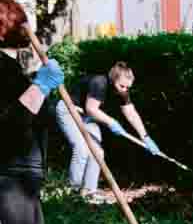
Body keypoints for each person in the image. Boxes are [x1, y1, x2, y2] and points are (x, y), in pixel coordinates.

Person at [0, 0, 64, 224]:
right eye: (18, 19)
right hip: (5, 180)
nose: (26, 27)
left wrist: (41, 87)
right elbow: (7, 126)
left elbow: (29, 121)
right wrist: (39, 86)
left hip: (26, 179)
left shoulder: (9, 69)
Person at [55, 60, 157, 201]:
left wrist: (145, 137)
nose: (125, 90)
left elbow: (131, 113)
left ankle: (89, 192)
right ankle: (73, 191)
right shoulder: (99, 83)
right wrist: (112, 122)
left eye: (128, 87)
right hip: (70, 110)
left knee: (98, 152)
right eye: (122, 86)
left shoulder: (123, 90)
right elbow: (91, 108)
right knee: (81, 148)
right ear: (113, 79)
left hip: (87, 116)